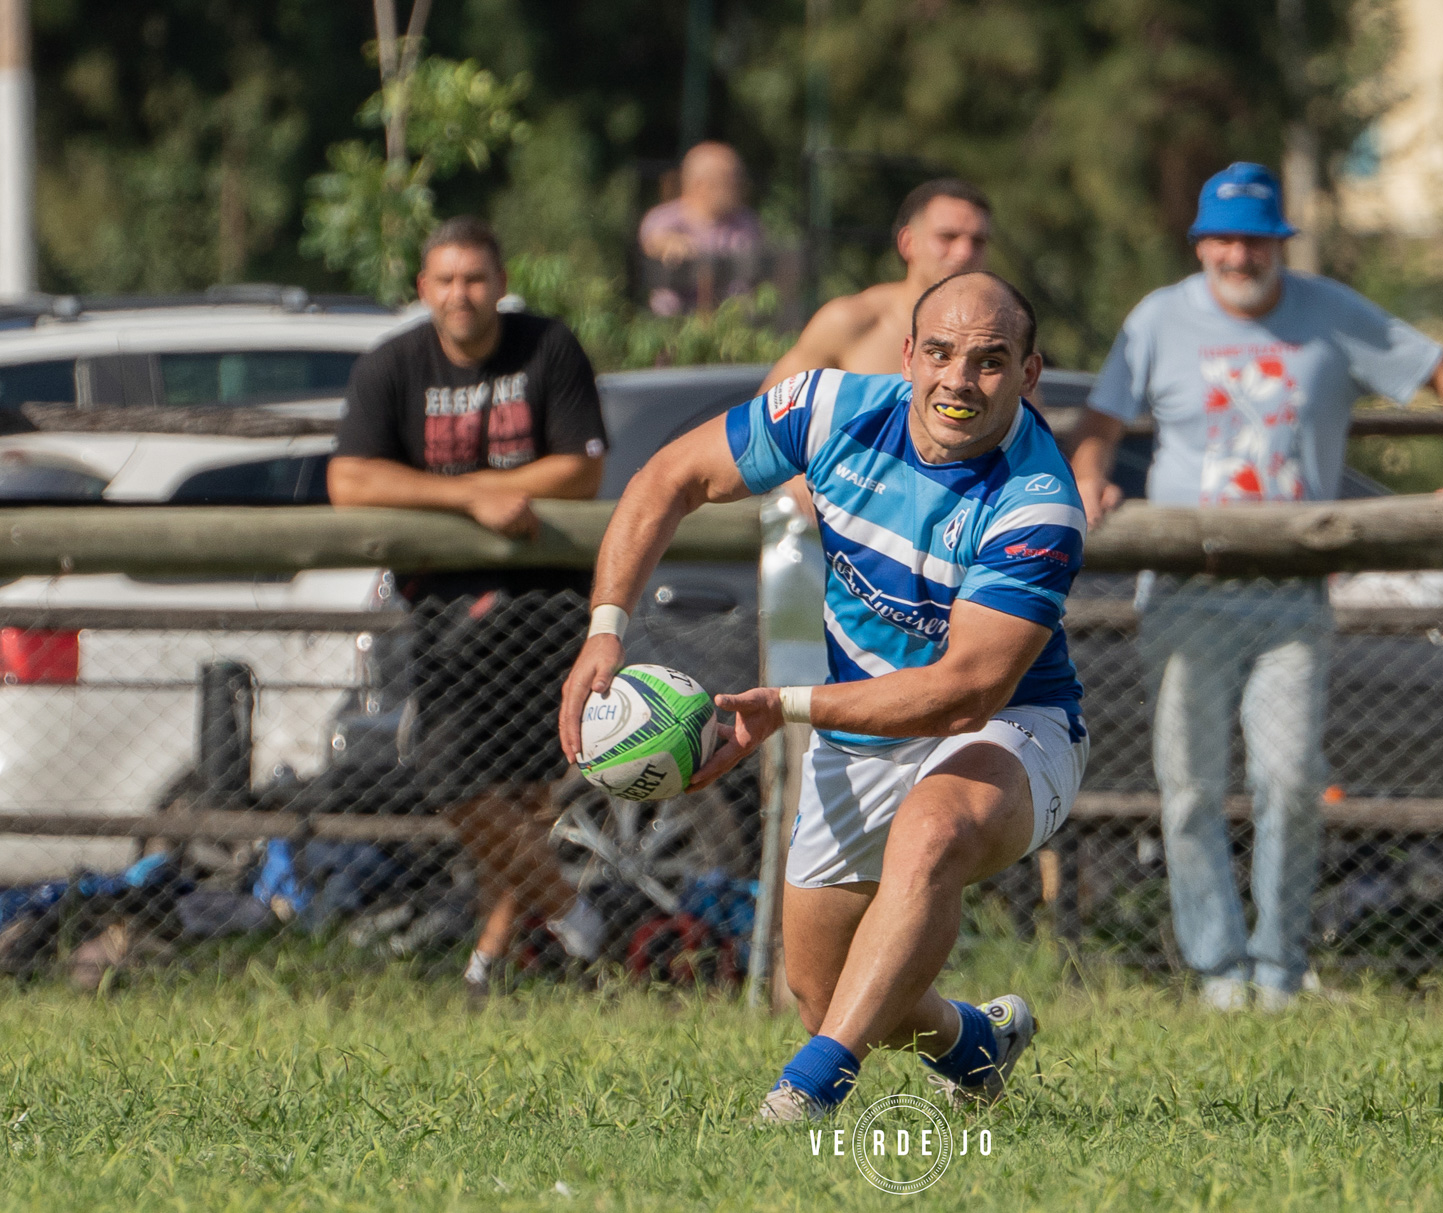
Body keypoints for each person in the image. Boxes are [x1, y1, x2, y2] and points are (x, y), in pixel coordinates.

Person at [558, 271, 1087, 1121]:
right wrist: (605, 628)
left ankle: (808, 1090)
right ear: (908, 354)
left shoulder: (1039, 503)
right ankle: (970, 1044)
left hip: (1012, 726)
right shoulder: (828, 409)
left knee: (932, 833)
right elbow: (668, 479)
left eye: (990, 362)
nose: (959, 379)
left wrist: (785, 709)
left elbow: (962, 693)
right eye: (942, 353)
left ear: (1028, 375)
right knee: (825, 990)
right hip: (860, 729)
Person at [1067, 162, 1443, 1012]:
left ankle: (1277, 969)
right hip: (1184, 588)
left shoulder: (1331, 311)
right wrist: (1091, 475)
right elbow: (1100, 421)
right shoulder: (1158, 318)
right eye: (1225, 239)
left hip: (1292, 595)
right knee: (1190, 786)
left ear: (1280, 245)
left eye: (1257, 239)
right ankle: (1216, 968)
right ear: (1201, 243)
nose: (1240, 255)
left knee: (1289, 778)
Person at [328, 215, 611, 1000]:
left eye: (476, 278)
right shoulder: (392, 365)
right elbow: (349, 482)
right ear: (424, 289)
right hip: (444, 604)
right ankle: (570, 911)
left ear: (500, 282)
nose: (462, 294)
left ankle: (487, 967)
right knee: (451, 775)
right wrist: (476, 499)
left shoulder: (547, 347)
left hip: (546, 597)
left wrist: (472, 496)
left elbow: (582, 470)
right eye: (446, 279)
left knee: (522, 794)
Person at [759, 178, 991, 389]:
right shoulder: (850, 323)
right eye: (947, 237)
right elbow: (759, 424)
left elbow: (1027, 425)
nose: (964, 252)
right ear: (908, 242)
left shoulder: (998, 335)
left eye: (978, 241)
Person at [637, 142, 766, 316]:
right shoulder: (666, 218)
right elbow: (653, 239)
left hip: (734, 323)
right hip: (679, 325)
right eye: (730, 180)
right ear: (700, 185)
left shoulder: (746, 221)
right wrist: (670, 243)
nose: (739, 186)